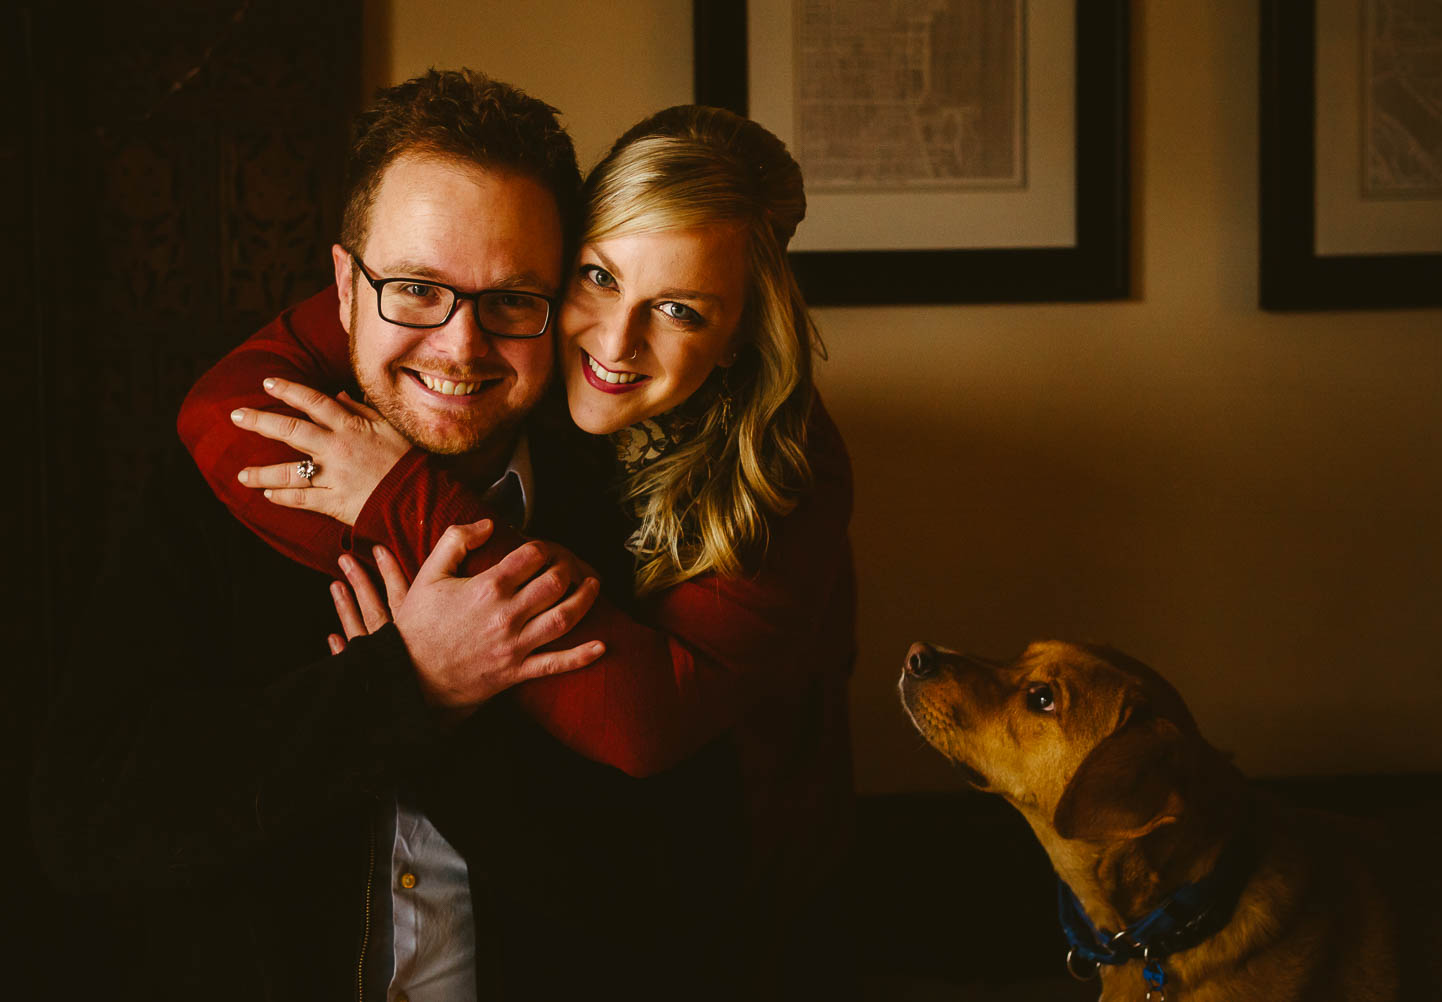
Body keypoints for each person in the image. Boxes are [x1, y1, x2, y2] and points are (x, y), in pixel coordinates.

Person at [32, 70, 748, 1002]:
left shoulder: (637, 515)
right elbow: (85, 827)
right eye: (416, 289)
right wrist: (402, 687)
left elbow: (684, 901)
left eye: (511, 301)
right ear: (343, 287)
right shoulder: (229, 484)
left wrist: (443, 721)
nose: (459, 347)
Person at [175, 104, 857, 992]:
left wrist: (402, 509)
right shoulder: (464, 321)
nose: (613, 343)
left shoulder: (786, 464)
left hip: (758, 890)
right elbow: (219, 410)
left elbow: (647, 724)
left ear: (738, 334)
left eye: (681, 309)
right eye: (599, 277)